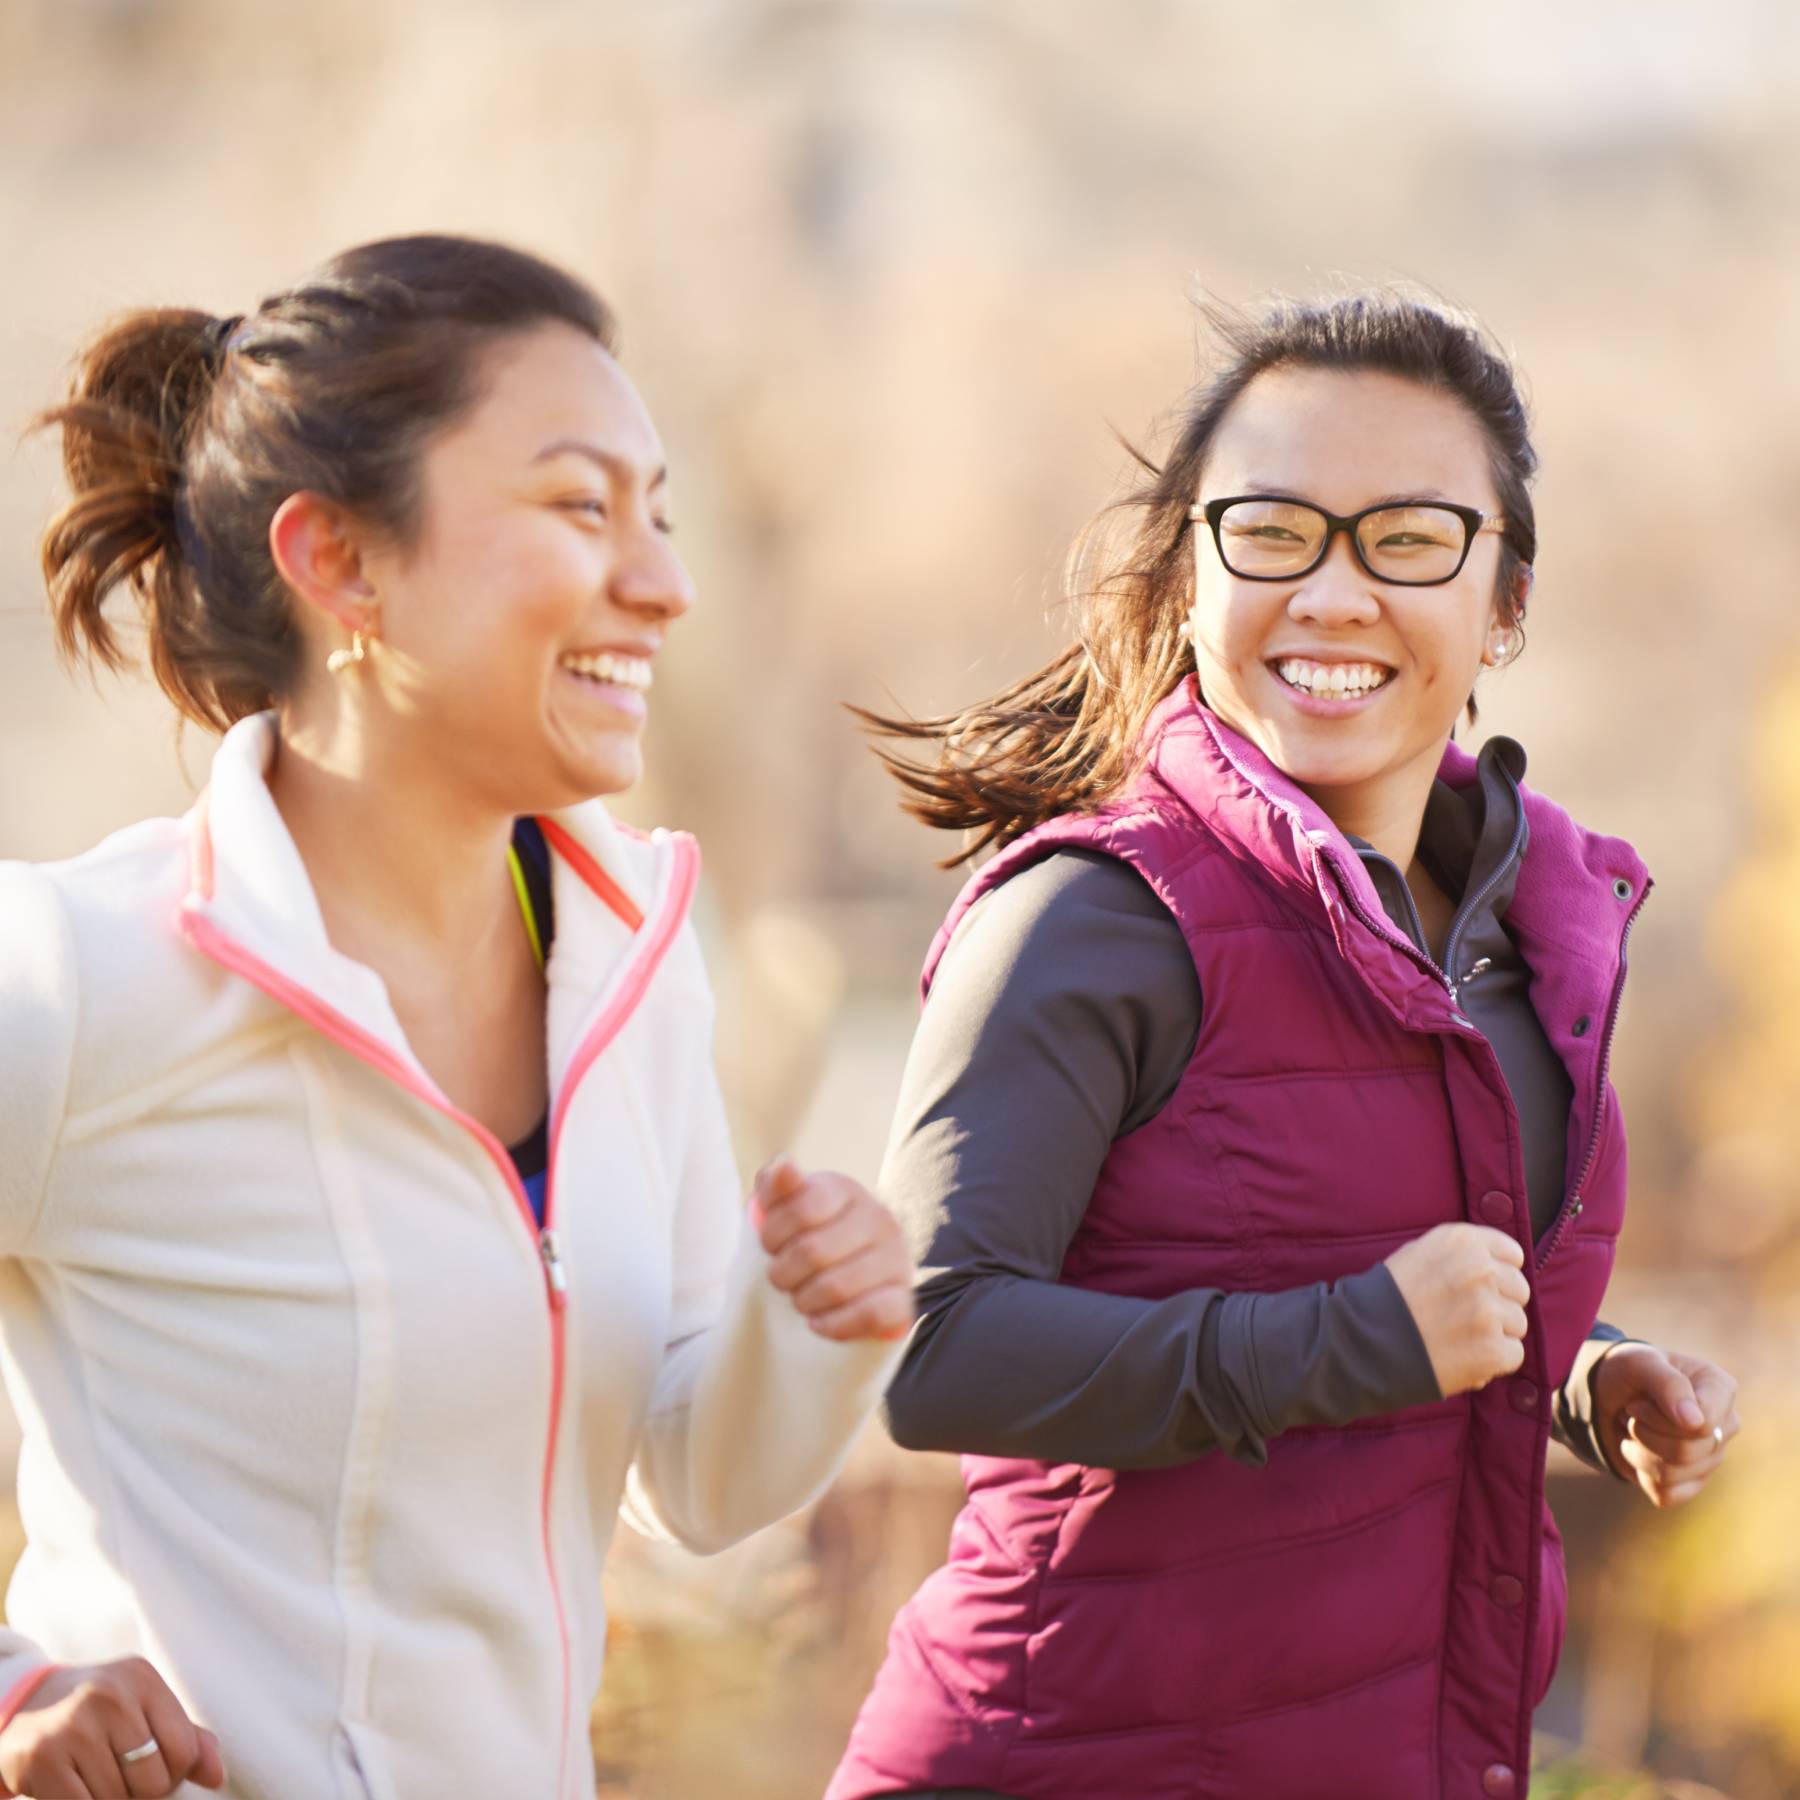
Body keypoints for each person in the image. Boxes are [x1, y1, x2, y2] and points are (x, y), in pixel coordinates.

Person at [0, 233, 912, 1800]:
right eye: (579, 507)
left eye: (661, 515)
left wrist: (816, 1323)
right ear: (341, 562)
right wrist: (13, 1689)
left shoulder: (636, 964)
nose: (666, 582)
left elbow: (693, 1482)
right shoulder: (80, 974)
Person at [827, 292, 1741, 1800]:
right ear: (1194, 574)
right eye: (1273, 530)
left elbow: (1376, 1263)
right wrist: (1358, 1340)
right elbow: (929, 1349)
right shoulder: (1095, 917)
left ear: (1505, 603)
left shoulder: (1533, 935)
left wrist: (1582, 1376)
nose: (1331, 591)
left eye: (1409, 539)